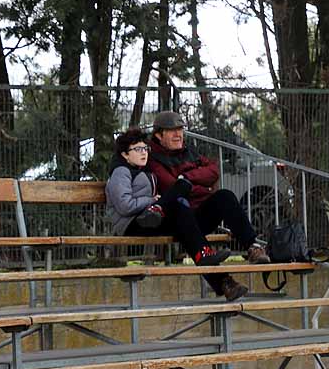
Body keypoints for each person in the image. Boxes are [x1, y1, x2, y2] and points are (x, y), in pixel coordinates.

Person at [146, 111, 272, 300]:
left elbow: (213, 171)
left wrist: (187, 177)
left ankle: (253, 247)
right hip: (175, 219)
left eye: (180, 129)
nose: (178, 134)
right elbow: (173, 187)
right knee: (183, 215)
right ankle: (225, 282)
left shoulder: (188, 152)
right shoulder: (153, 159)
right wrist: (195, 183)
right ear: (158, 134)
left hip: (197, 213)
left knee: (225, 196)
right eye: (172, 131)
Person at [107, 127, 240, 297]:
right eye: (137, 149)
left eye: (145, 149)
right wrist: (152, 201)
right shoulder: (121, 171)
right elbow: (125, 205)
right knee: (180, 200)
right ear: (125, 154)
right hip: (131, 224)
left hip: (150, 219)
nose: (144, 153)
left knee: (183, 212)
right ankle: (217, 273)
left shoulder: (143, 170)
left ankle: (224, 282)